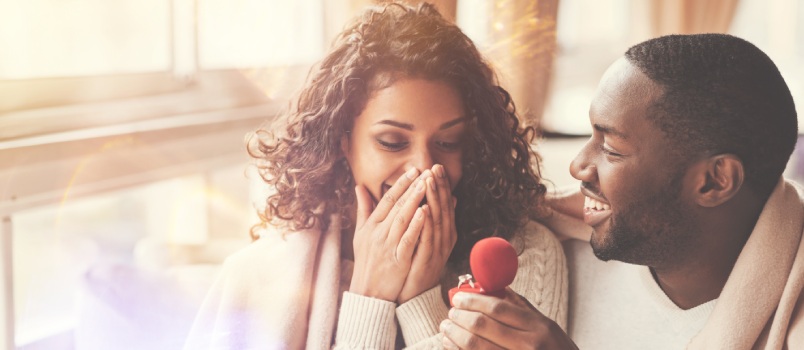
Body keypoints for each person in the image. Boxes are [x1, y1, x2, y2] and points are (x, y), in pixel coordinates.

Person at [182, 3, 568, 349]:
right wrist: (370, 299)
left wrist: (421, 298)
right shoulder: (256, 280)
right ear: (343, 142)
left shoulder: (522, 256)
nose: (424, 167)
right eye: (392, 142)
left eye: (449, 142)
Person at [441, 33, 804, 349]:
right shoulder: (544, 255)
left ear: (715, 180)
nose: (578, 167)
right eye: (591, 136)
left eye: (611, 149)